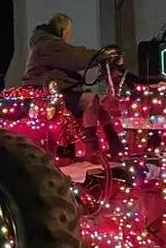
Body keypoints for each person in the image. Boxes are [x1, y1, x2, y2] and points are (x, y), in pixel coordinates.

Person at [21, 13, 108, 152]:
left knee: (102, 105)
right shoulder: (50, 46)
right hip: (46, 94)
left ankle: (113, 146)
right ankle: (92, 149)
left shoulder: (44, 44)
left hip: (50, 91)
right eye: (68, 32)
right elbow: (76, 57)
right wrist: (103, 56)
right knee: (91, 100)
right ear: (62, 31)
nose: (69, 36)